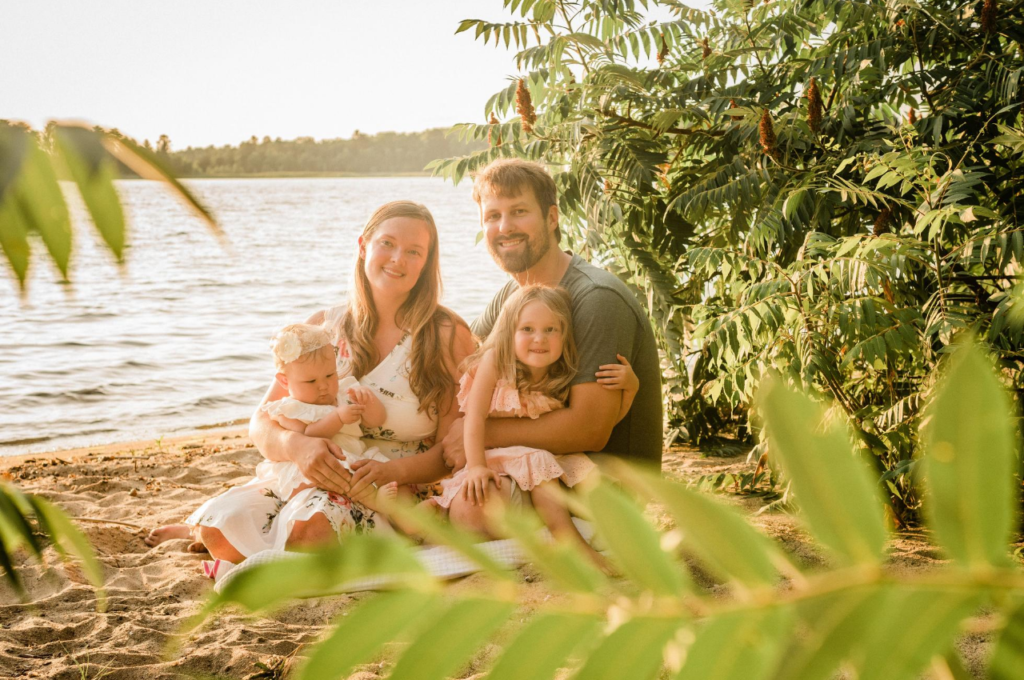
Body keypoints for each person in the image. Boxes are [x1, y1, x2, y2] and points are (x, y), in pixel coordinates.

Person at [147, 201, 474, 561]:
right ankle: (222, 532)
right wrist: (295, 446)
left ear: (427, 263)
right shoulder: (324, 327)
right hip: (310, 471)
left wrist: (388, 471)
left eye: (414, 251)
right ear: (363, 245)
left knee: (310, 531)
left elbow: (451, 451)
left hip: (393, 488)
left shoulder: (445, 334)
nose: (398, 258)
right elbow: (262, 421)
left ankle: (279, 540)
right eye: (387, 244)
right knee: (220, 528)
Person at [442, 158, 663, 528]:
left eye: (519, 212)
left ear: (552, 217)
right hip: (536, 467)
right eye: (492, 216)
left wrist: (475, 435)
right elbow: (462, 361)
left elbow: (587, 430)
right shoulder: (514, 296)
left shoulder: (597, 299)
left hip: (599, 491)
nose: (504, 227)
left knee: (469, 509)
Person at [432, 285, 637, 565]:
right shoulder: (496, 363)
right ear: (510, 333)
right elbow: (474, 418)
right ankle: (575, 548)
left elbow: (607, 423)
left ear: (564, 336)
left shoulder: (559, 375)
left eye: (550, 330)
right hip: (497, 458)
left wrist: (631, 390)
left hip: (544, 462)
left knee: (596, 484)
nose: (539, 339)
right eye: (527, 329)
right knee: (539, 463)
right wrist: (477, 466)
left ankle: (587, 534)